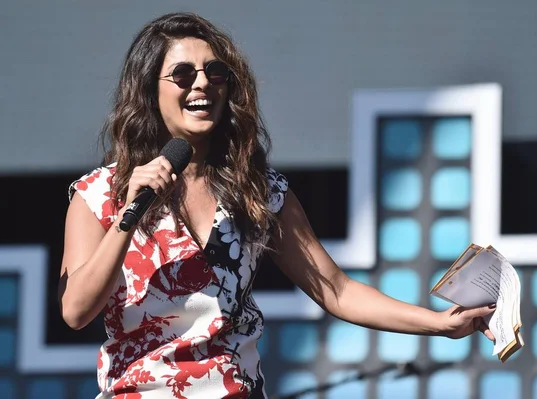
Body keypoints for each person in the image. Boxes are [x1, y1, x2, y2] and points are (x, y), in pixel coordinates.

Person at [58, 12, 496, 399]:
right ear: (149, 89)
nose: (202, 83)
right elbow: (76, 311)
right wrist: (129, 215)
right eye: (183, 74)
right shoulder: (99, 195)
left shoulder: (257, 191)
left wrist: (438, 324)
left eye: (215, 71)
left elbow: (336, 289)